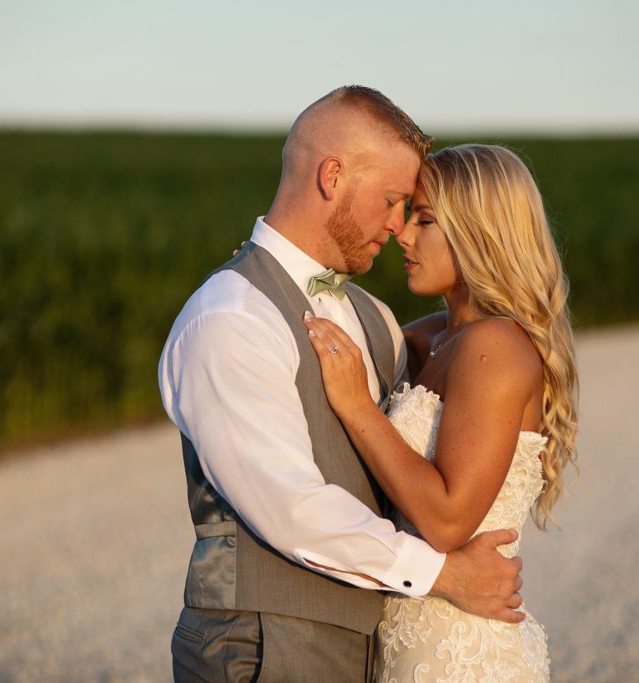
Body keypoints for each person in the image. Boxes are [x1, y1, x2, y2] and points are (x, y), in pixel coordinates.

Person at [158, 87, 524, 683]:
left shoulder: (375, 317)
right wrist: (447, 574)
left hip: (370, 646)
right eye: (390, 200)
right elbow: (291, 506)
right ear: (332, 175)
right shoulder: (231, 315)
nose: (398, 226)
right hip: (259, 641)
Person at [302, 143, 579, 681]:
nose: (403, 233)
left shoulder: (494, 348)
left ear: (480, 233)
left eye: (425, 220)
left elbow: (448, 520)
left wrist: (360, 407)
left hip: (461, 651)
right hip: (405, 638)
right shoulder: (431, 337)